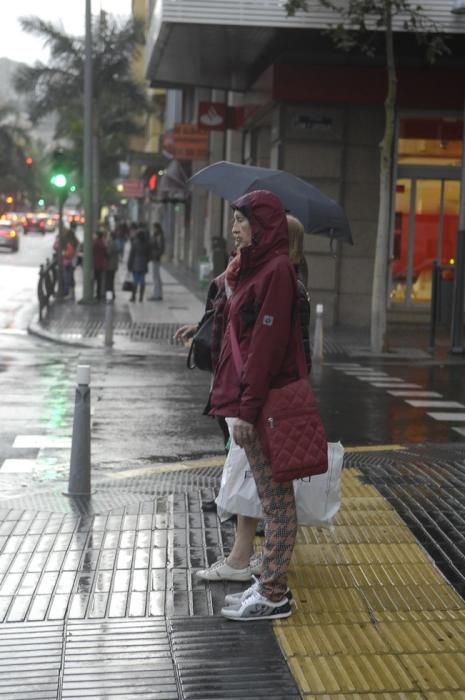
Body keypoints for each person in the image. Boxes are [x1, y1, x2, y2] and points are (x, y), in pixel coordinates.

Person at [198, 190, 303, 621]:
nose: (235, 228)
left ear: (262, 225)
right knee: (269, 497)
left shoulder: (277, 270)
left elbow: (264, 347)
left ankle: (274, 592)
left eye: (242, 221)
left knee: (277, 503)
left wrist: (246, 408)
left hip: (264, 405)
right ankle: (266, 584)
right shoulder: (258, 270)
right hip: (252, 401)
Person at [127, 226, 150, 302]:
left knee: (135, 281)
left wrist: (129, 265)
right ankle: (141, 297)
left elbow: (131, 255)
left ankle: (133, 297)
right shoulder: (146, 243)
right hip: (143, 264)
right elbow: (148, 255)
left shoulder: (135, 243)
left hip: (135, 264)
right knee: (142, 281)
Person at [148, 222, 165, 301]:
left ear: (157, 228)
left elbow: (160, 248)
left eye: (154, 228)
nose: (153, 229)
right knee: (157, 276)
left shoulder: (159, 236)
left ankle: (156, 295)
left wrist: (155, 255)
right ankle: (158, 294)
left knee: (156, 277)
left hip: (156, 258)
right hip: (155, 257)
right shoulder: (157, 235)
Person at [93, 229, 107, 301]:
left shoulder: (95, 243)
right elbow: (105, 253)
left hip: (95, 263)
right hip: (101, 264)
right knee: (99, 280)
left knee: (94, 279)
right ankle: (99, 294)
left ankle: (95, 293)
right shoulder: (102, 243)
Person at [105, 230, 119, 299]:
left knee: (109, 280)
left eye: (108, 235)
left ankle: (110, 294)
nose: (107, 237)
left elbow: (108, 253)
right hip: (112, 265)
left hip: (110, 265)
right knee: (110, 280)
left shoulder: (111, 243)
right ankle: (111, 293)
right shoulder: (113, 243)